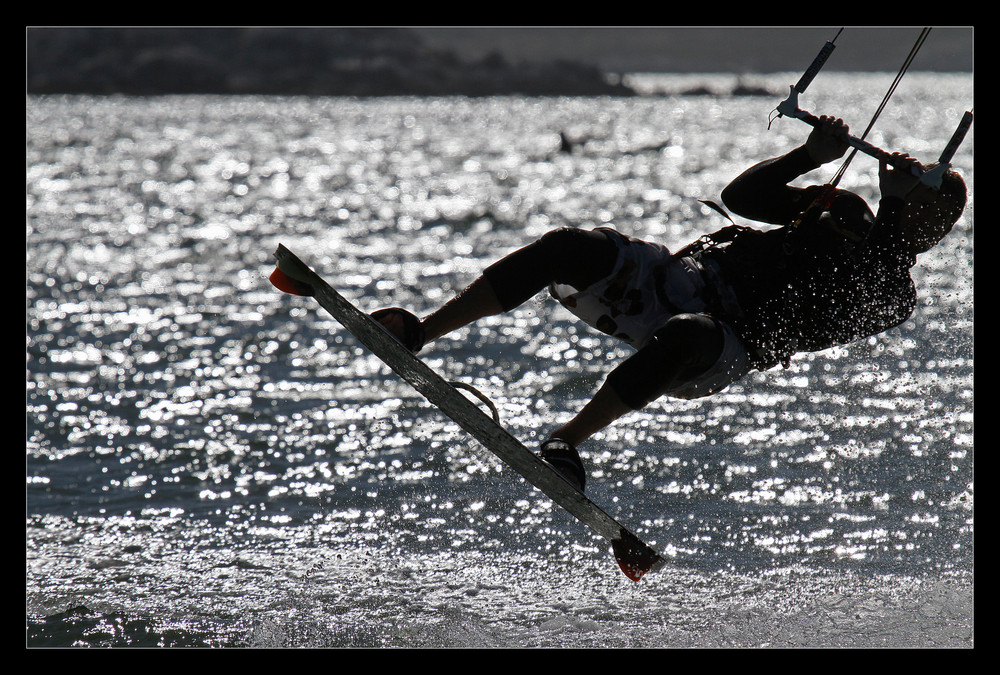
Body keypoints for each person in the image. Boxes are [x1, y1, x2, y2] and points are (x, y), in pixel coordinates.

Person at [372, 116, 967, 492]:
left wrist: (885, 211)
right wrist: (808, 158)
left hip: (726, 341)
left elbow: (850, 285)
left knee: (684, 334)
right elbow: (741, 196)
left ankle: (567, 441)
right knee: (569, 247)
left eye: (928, 184)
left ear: (931, 222)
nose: (913, 174)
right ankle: (422, 330)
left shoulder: (894, 294)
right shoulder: (846, 212)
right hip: (679, 276)